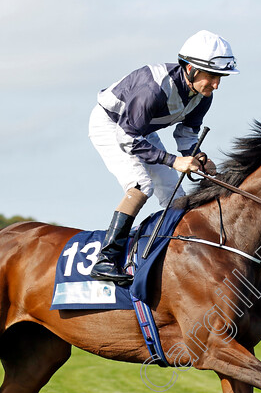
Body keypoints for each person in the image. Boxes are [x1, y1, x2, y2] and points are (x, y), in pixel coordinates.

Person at [88, 29, 239, 285]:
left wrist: (198, 158)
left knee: (176, 195)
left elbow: (186, 135)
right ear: (191, 69)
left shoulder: (202, 97)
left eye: (220, 77)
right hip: (111, 126)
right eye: (213, 76)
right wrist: (173, 161)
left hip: (140, 131)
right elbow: (127, 138)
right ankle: (106, 259)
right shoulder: (153, 90)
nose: (216, 84)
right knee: (140, 185)